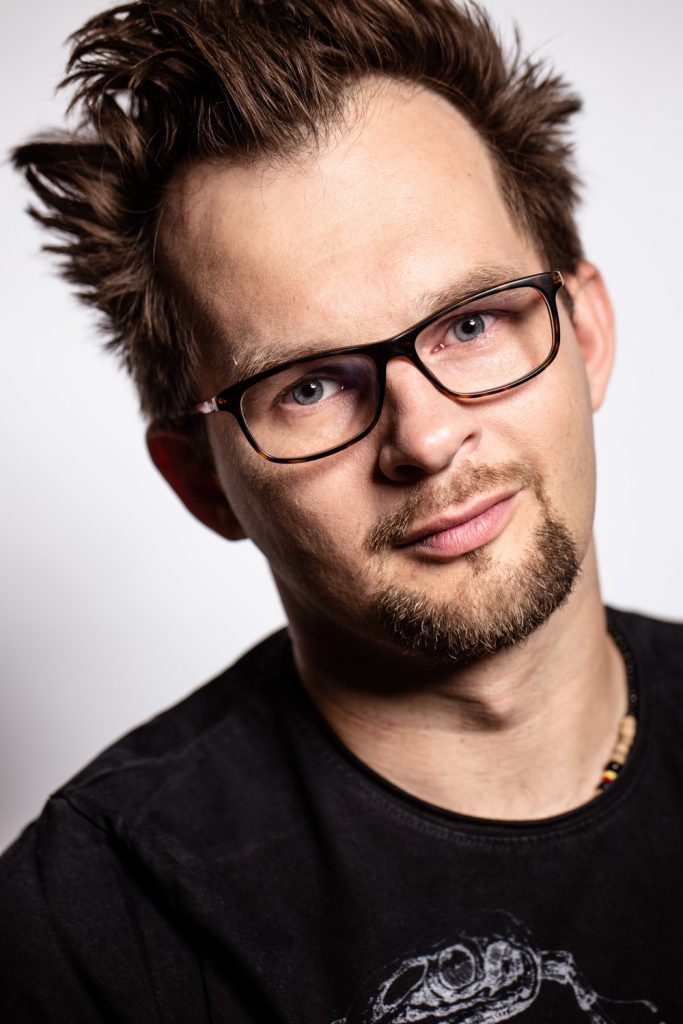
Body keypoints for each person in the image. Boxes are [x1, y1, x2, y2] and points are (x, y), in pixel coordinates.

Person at [1, 0, 681, 1020]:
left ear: (583, 336)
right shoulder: (88, 929)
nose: (424, 438)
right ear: (201, 481)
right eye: (309, 385)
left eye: (470, 324)